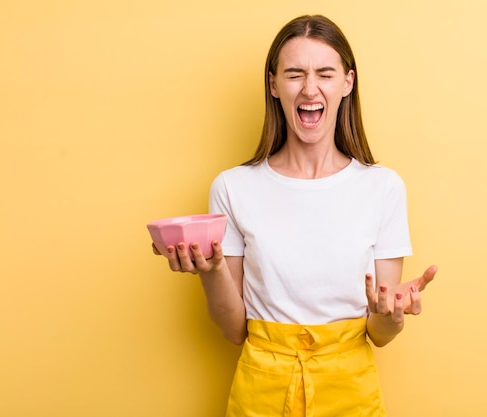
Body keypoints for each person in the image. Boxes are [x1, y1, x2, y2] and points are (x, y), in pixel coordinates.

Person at [153, 14, 438, 417]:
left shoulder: (383, 188)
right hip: (260, 393)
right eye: (294, 74)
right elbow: (235, 331)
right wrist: (210, 270)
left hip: (351, 395)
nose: (309, 88)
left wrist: (390, 315)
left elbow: (380, 333)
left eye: (325, 73)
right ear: (273, 84)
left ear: (347, 82)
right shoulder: (233, 188)